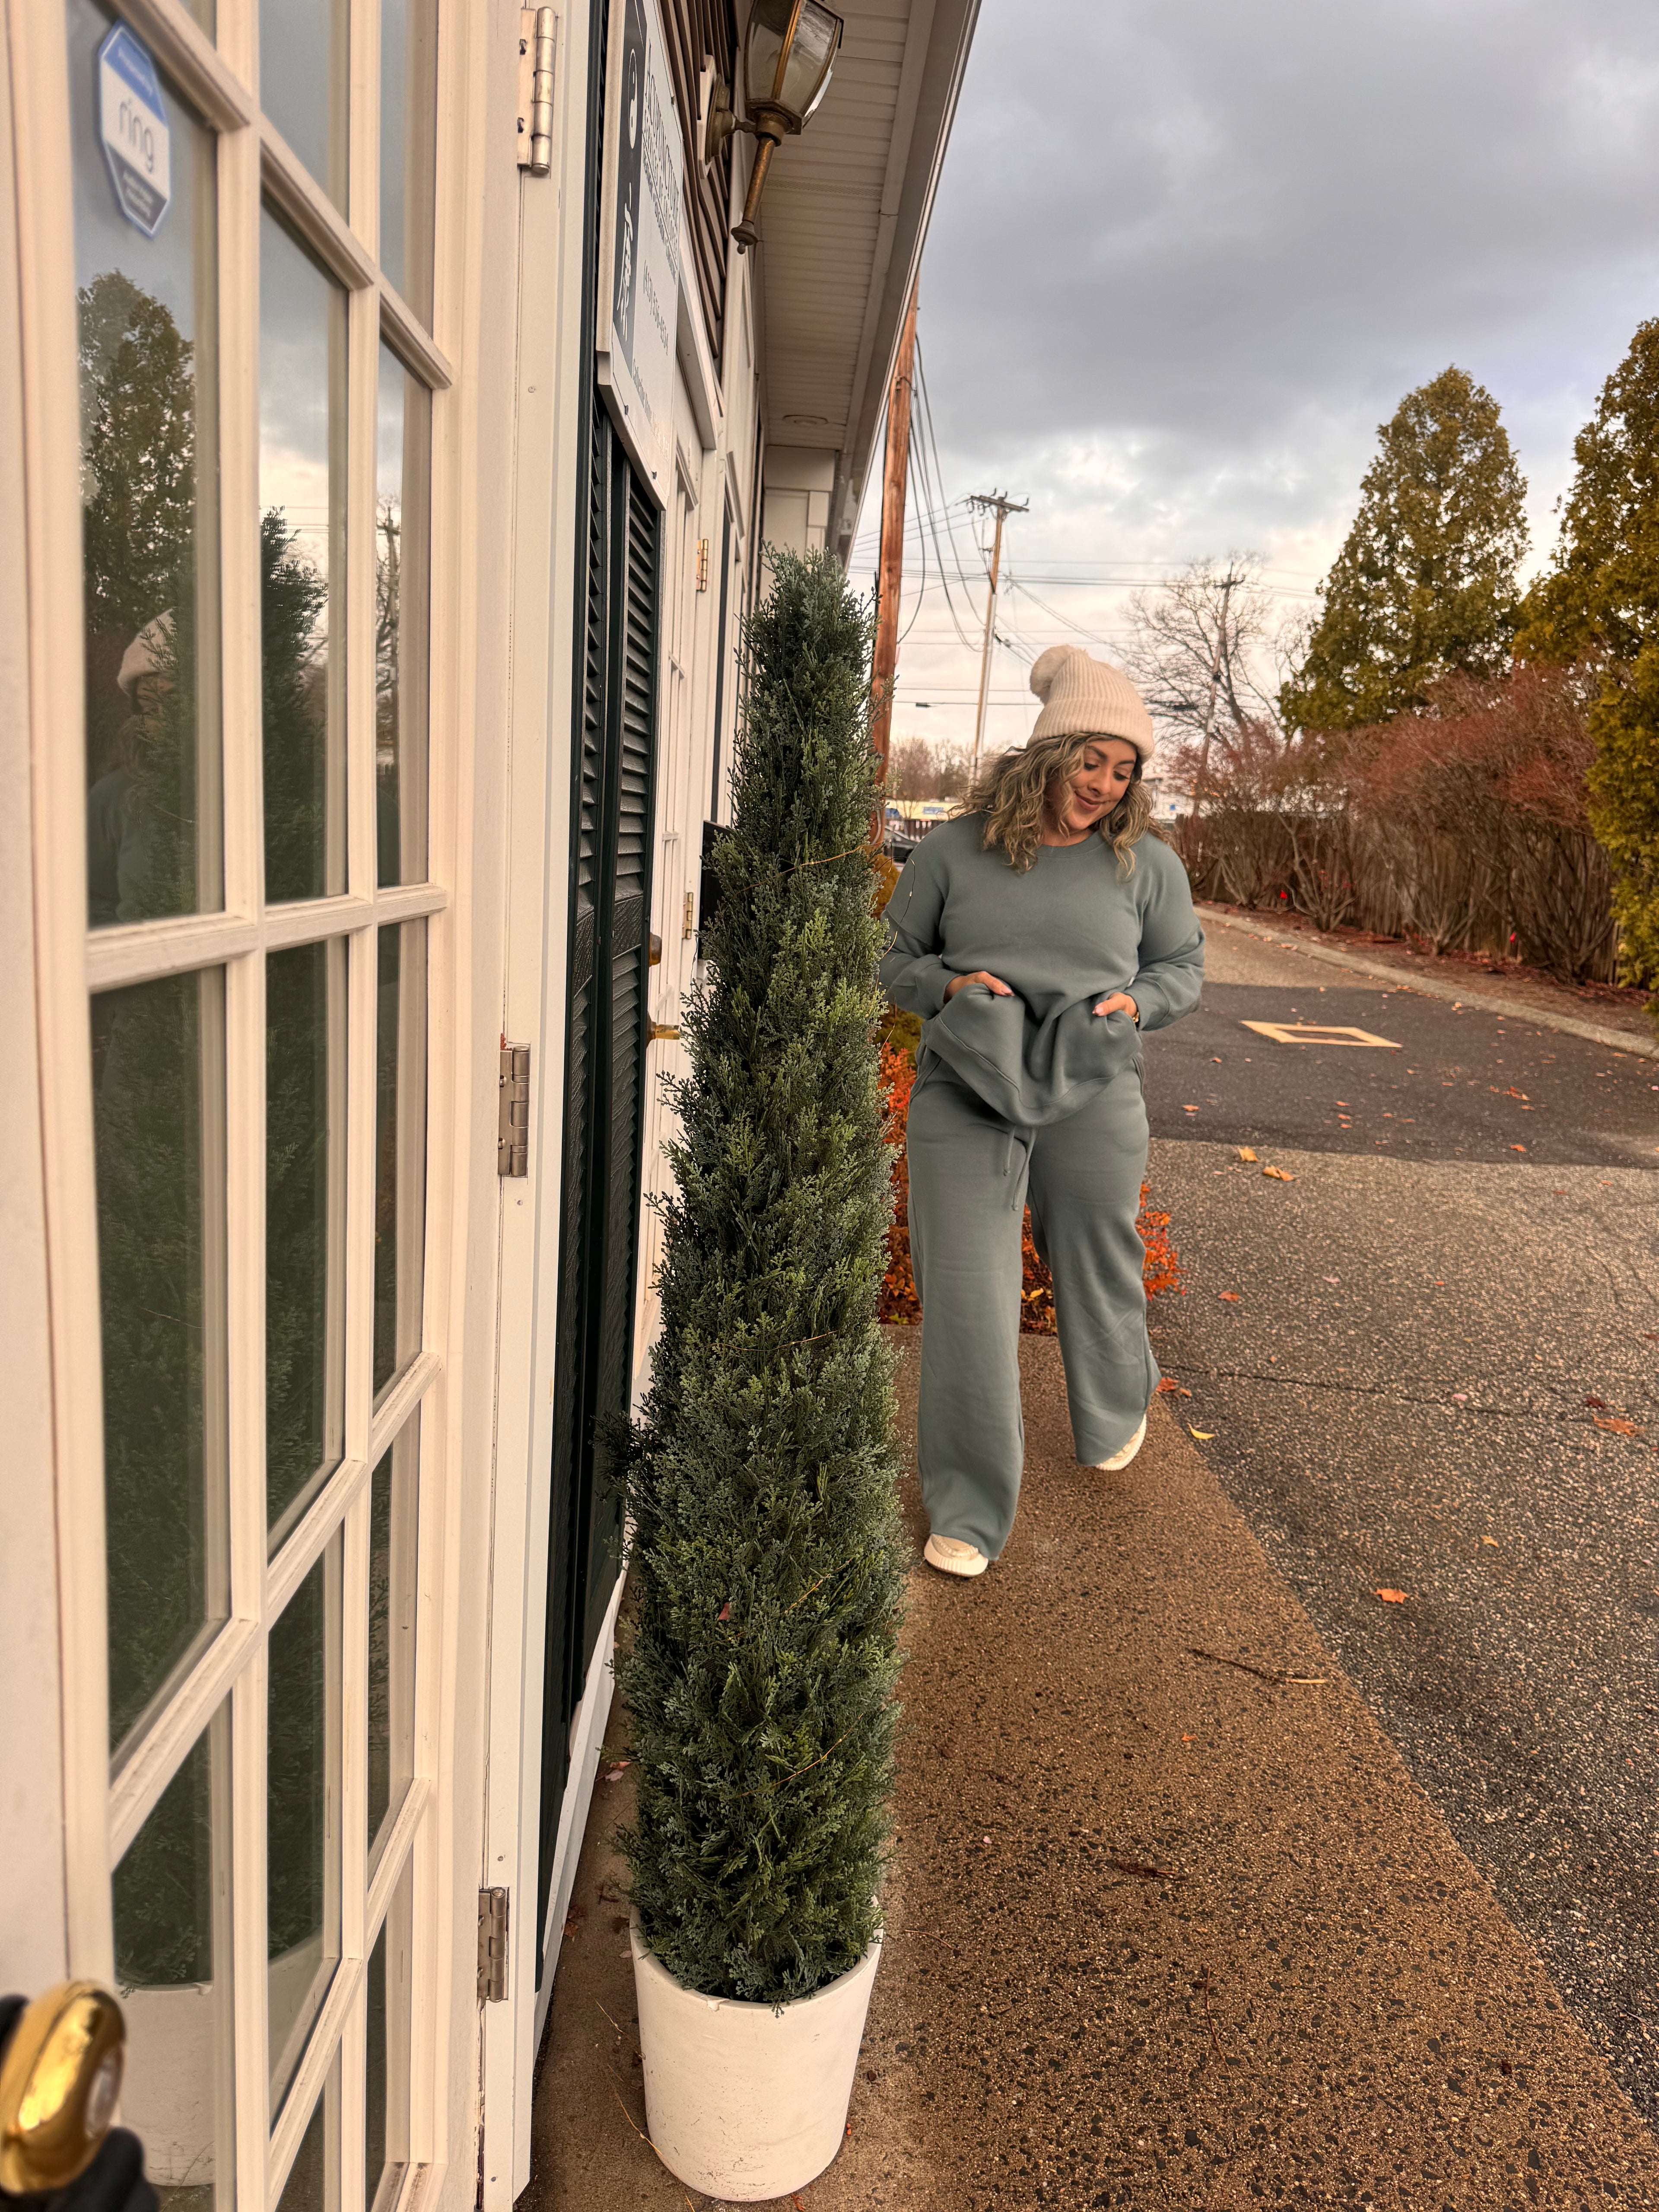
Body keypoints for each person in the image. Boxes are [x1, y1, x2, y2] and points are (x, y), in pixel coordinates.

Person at [877, 645, 1205, 1578]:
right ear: (1044, 755)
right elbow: (893, 959)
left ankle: (1114, 1401)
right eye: (1090, 760)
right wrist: (949, 987)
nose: (1104, 784)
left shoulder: (1146, 867)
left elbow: (1181, 966)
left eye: (1124, 768)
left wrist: (1139, 1004)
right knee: (967, 1295)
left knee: (1098, 1258)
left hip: (1094, 1083)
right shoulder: (952, 851)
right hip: (969, 1084)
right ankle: (970, 1507)